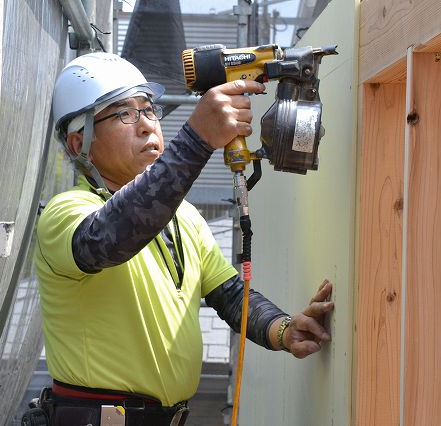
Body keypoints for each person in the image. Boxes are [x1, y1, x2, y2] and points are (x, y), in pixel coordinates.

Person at [32, 52, 334, 426]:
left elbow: (230, 294)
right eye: (123, 114)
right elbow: (108, 238)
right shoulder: (65, 213)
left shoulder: (183, 216)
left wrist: (283, 329)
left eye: (148, 109)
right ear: (80, 144)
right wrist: (197, 139)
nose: (146, 125)